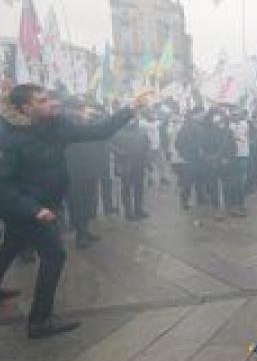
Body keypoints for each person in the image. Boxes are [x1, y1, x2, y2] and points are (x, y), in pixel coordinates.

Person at [0, 84, 150, 338]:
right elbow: (3, 184)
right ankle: (40, 320)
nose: (52, 103)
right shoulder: (8, 136)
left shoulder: (57, 124)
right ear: (26, 108)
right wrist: (33, 209)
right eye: (43, 100)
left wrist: (130, 109)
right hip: (27, 207)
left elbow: (98, 131)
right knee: (54, 256)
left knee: (11, 245)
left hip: (47, 202)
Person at [66, 102, 112, 249]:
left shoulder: (92, 124)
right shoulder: (69, 125)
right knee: (77, 204)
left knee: (89, 203)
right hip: (75, 172)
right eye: (81, 109)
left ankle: (85, 230)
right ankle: (80, 235)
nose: (86, 112)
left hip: (91, 170)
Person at [112, 119, 151, 221]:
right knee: (126, 189)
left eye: (134, 119)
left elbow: (147, 145)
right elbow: (109, 144)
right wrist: (119, 152)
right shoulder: (118, 132)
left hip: (139, 164)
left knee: (139, 188)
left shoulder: (142, 132)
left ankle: (138, 209)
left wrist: (147, 160)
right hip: (126, 164)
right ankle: (128, 212)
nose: (132, 121)